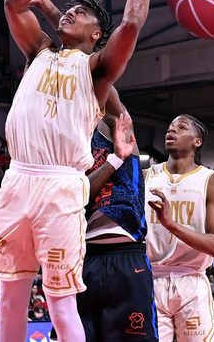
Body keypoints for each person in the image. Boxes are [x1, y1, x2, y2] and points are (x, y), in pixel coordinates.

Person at [0, 0, 156, 342]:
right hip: (17, 178)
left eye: (79, 12)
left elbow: (134, 20)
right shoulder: (38, 51)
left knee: (60, 300)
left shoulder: (98, 71)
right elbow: (13, 2)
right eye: (67, 9)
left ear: (96, 33)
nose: (69, 13)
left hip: (62, 186)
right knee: (9, 297)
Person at [77, 97, 157, 341]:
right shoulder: (74, 146)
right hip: (85, 259)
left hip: (126, 254)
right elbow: (82, 193)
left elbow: (110, 93)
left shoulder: (121, 130)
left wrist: (84, 68)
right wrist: (115, 160)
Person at [146, 114, 214, 341]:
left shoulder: (212, 181)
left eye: (181, 128)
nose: (171, 131)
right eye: (170, 127)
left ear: (197, 142)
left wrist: (171, 225)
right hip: (149, 279)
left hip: (191, 281)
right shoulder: (146, 177)